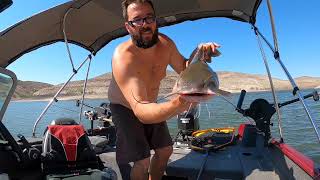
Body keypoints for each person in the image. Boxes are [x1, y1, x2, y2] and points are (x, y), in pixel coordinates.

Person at [108, 0, 220, 179]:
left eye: (149, 18)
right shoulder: (123, 57)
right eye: (137, 20)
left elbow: (185, 67)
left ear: (155, 20)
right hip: (127, 108)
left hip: (151, 105)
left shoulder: (165, 44)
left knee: (165, 150)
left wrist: (198, 55)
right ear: (128, 27)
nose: (145, 25)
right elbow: (141, 110)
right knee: (142, 161)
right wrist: (180, 102)